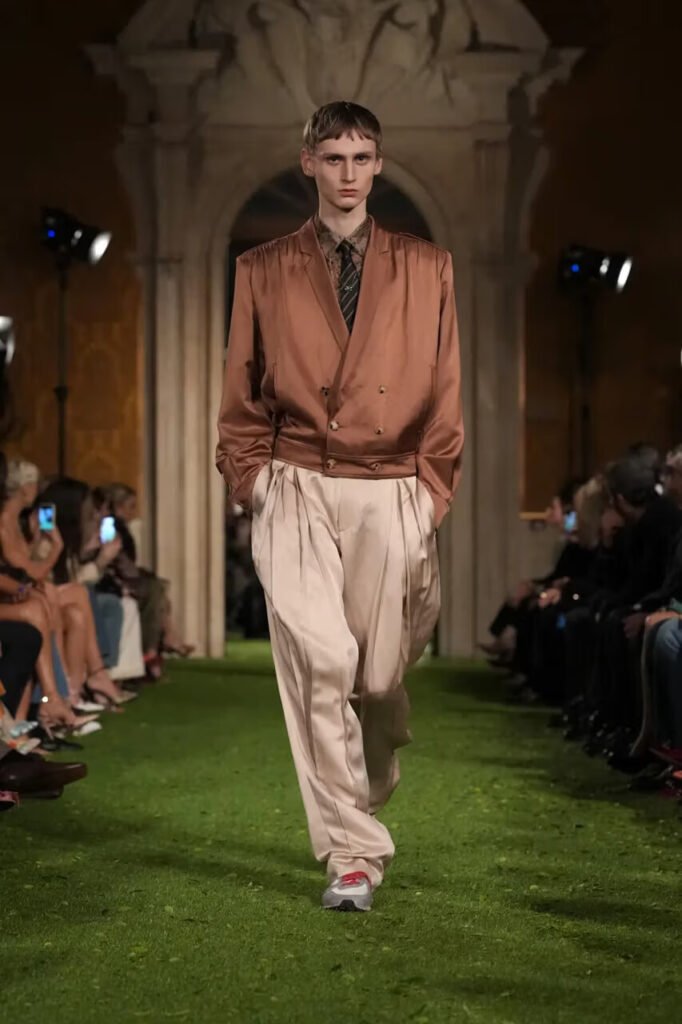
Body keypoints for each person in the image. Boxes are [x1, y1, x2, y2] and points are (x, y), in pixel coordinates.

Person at [216, 101, 464, 911]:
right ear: (308, 162)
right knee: (320, 663)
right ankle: (351, 857)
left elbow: (449, 392)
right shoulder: (261, 268)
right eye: (334, 158)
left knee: (379, 679)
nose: (349, 173)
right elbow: (241, 397)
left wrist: (429, 494)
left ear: (379, 165)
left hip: (393, 487)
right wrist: (253, 483)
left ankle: (370, 769)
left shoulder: (429, 267)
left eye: (362, 158)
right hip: (296, 483)